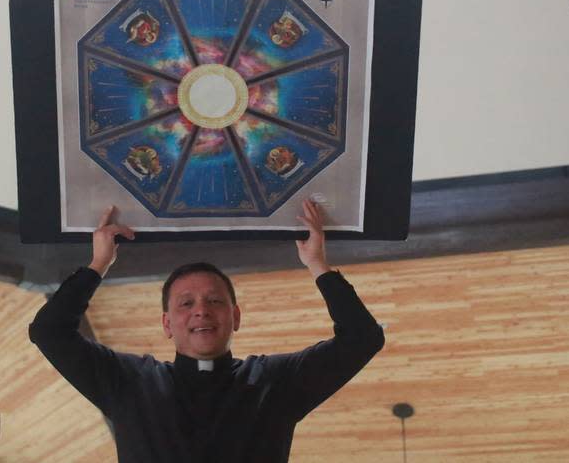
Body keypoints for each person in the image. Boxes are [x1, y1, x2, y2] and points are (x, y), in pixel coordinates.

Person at [29, 198, 384, 463]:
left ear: (236, 317)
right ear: (167, 324)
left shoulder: (274, 382)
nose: (201, 309)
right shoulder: (129, 381)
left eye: (215, 301)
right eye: (186, 303)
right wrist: (98, 265)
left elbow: (362, 338)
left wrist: (318, 265)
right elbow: (49, 332)